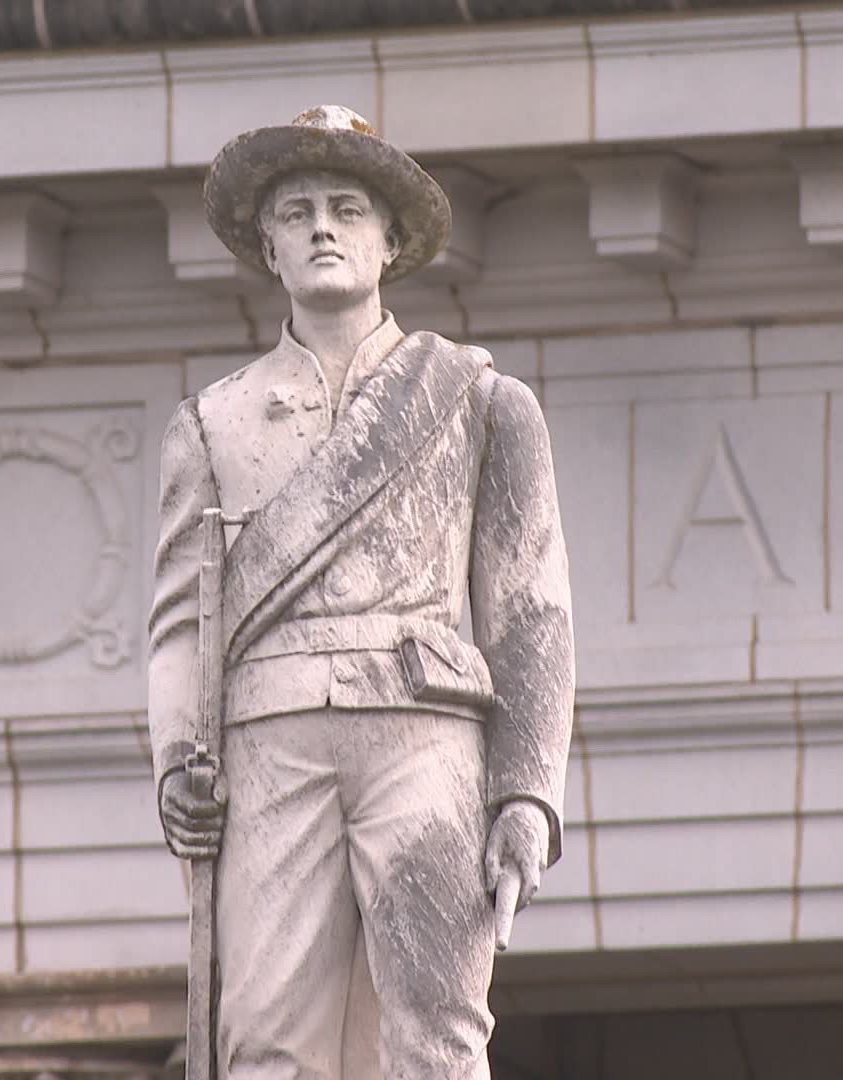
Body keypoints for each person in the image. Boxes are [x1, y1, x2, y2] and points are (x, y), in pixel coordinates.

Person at [145, 105, 575, 1080]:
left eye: (346, 208)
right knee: (266, 1036)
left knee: (439, 1027)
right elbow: (179, 623)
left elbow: (531, 615)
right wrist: (177, 761)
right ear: (270, 245)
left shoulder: (474, 399)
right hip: (270, 742)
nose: (323, 228)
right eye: (296, 212)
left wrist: (525, 796)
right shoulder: (208, 429)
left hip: (423, 730)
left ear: (390, 240)